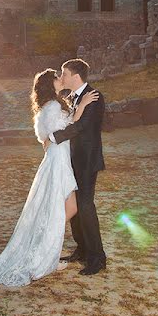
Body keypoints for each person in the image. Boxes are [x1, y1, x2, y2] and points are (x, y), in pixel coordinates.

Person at [0, 68, 99, 287]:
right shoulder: (51, 107)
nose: (61, 79)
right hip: (58, 160)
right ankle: (44, 253)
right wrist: (84, 105)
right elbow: (70, 129)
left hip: (57, 158)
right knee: (66, 208)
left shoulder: (48, 107)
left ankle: (45, 249)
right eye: (57, 78)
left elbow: (45, 137)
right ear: (50, 85)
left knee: (65, 207)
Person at [44, 58, 107, 276]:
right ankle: (82, 249)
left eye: (64, 73)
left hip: (87, 161)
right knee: (76, 206)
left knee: (86, 206)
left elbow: (80, 126)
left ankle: (98, 258)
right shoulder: (71, 97)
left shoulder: (95, 97)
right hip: (70, 161)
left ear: (75, 76)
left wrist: (53, 137)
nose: (62, 77)